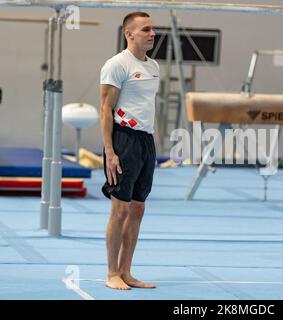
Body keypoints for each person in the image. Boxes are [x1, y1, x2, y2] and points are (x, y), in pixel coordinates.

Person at [99, 12, 159, 290]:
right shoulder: (117, 64)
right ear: (129, 33)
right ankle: (112, 273)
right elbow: (105, 110)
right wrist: (110, 152)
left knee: (137, 209)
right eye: (145, 29)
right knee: (120, 210)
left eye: (153, 29)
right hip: (123, 140)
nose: (152, 33)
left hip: (146, 141)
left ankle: (127, 271)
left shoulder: (154, 66)